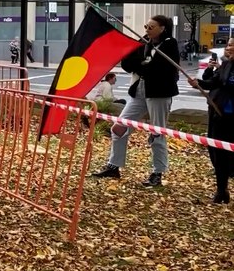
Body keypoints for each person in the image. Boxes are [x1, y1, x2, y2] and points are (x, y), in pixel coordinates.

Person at [92, 15, 179, 187]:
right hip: (139, 90)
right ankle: (114, 166)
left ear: (162, 28)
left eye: (151, 27)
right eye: (146, 26)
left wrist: (143, 65)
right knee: (118, 127)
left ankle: (157, 172)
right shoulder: (144, 42)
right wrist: (144, 63)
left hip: (159, 93)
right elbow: (127, 63)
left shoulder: (169, 44)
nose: (147, 29)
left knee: (157, 132)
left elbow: (161, 68)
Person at [188, 37, 234, 204]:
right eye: (228, 44)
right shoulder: (225, 65)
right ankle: (222, 190)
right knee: (217, 153)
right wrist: (197, 83)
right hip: (218, 114)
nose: (228, 48)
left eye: (232, 45)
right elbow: (212, 83)